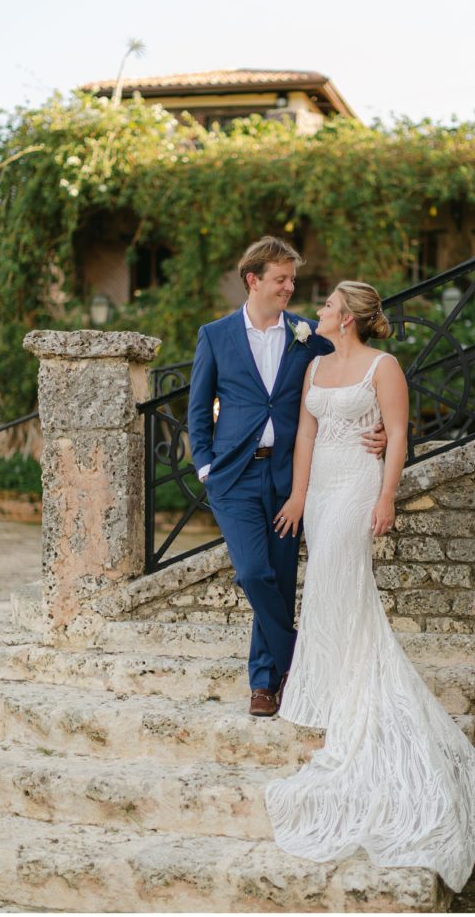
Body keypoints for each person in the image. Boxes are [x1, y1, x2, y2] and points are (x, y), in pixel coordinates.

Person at [264, 280, 475, 894]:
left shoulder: (383, 366)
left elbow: (397, 433)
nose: (316, 311)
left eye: (325, 306)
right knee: (326, 586)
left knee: (343, 572)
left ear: (346, 317)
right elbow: (307, 434)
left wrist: (388, 494)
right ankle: (335, 681)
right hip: (319, 490)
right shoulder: (315, 364)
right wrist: (296, 493)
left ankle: (357, 694)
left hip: (360, 485)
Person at [187, 239, 387, 718]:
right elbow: (197, 408)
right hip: (232, 478)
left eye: (292, 279)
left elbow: (353, 371)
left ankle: (265, 684)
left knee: (277, 580)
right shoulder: (215, 335)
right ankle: (297, 655)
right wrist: (206, 467)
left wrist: (374, 425)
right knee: (253, 573)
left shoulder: (306, 333)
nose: (290, 287)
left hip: (291, 477)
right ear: (254, 279)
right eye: (281, 279)